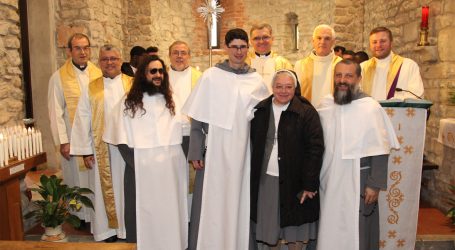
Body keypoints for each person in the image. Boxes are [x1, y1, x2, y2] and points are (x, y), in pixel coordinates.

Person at [183, 28, 269, 250]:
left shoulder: (256, 80)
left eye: (243, 47)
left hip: (243, 152)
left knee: (239, 199)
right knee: (212, 199)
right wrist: (195, 152)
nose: (239, 52)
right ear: (226, 48)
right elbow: (198, 118)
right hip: (215, 150)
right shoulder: (211, 76)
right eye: (234, 47)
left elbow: (262, 123)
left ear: (247, 48)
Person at [105, 55, 188, 249]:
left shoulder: (172, 99)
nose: (158, 75)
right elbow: (121, 140)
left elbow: (184, 132)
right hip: (140, 170)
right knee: (142, 213)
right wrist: (139, 165)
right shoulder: (128, 102)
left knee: (169, 211)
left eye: (161, 71)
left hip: (169, 171)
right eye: (153, 71)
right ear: (143, 74)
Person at [317, 60, 400, 250]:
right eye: (338, 75)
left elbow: (380, 149)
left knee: (358, 231)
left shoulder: (370, 107)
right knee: (329, 226)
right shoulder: (325, 104)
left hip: (359, 179)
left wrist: (374, 184)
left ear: (359, 79)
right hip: (329, 180)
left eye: (348, 76)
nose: (342, 80)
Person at [250, 70, 324, 250]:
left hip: (296, 181)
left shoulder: (306, 112)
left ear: (295, 88)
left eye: (288, 87)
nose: (283, 91)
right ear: (272, 87)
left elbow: (315, 148)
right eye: (279, 86)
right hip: (267, 179)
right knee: (270, 231)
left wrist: (309, 184)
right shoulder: (260, 110)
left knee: (295, 232)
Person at [70, 44, 132, 242]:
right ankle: (108, 230)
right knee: (103, 187)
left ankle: (128, 228)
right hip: (102, 149)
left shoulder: (133, 84)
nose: (109, 62)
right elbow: (82, 118)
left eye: (113, 58)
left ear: (120, 61)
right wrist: (86, 151)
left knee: (127, 188)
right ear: (99, 63)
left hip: (128, 150)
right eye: (105, 59)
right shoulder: (92, 88)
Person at [48, 33, 101, 225]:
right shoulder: (58, 77)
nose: (83, 52)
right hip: (73, 137)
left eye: (86, 47)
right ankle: (79, 218)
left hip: (96, 136)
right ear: (69, 51)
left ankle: (97, 216)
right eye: (78, 48)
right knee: (77, 179)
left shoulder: (98, 73)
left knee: (95, 177)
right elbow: (55, 111)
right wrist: (63, 141)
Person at [167, 40, 202, 239]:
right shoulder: (160, 77)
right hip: (169, 137)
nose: (180, 56)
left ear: (189, 55)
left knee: (191, 181)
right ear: (169, 55)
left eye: (183, 53)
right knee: (174, 180)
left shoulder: (200, 77)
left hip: (192, 136)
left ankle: (191, 221)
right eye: (175, 53)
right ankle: (175, 219)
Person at [361, 27, 424, 100]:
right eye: (374, 42)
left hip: (396, 111)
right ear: (370, 45)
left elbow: (417, 95)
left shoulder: (408, 65)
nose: (378, 45)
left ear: (391, 43)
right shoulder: (362, 67)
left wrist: (394, 101)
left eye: (383, 41)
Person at [294, 24, 342, 107]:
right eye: (319, 38)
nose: (322, 42)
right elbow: (295, 94)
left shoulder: (342, 65)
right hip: (308, 115)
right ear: (313, 41)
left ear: (333, 42)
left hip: (334, 114)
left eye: (327, 38)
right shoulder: (300, 65)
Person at [246, 23, 293, 93]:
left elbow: (290, 89)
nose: (261, 41)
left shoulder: (283, 64)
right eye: (256, 38)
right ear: (250, 41)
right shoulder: (244, 63)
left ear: (272, 39)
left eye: (265, 37)